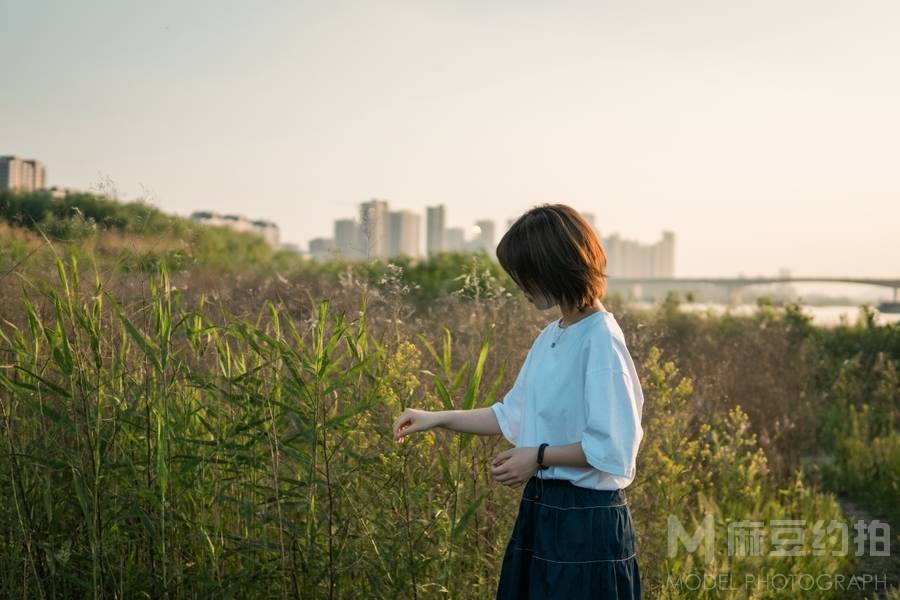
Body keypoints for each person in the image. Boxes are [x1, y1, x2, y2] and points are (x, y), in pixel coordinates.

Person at [391, 204, 644, 599]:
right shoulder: (552, 336)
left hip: (586, 520)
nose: (520, 286)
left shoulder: (601, 339)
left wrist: (538, 456)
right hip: (544, 509)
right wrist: (436, 417)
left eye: (525, 274)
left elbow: (613, 448)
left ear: (554, 267)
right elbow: (510, 414)